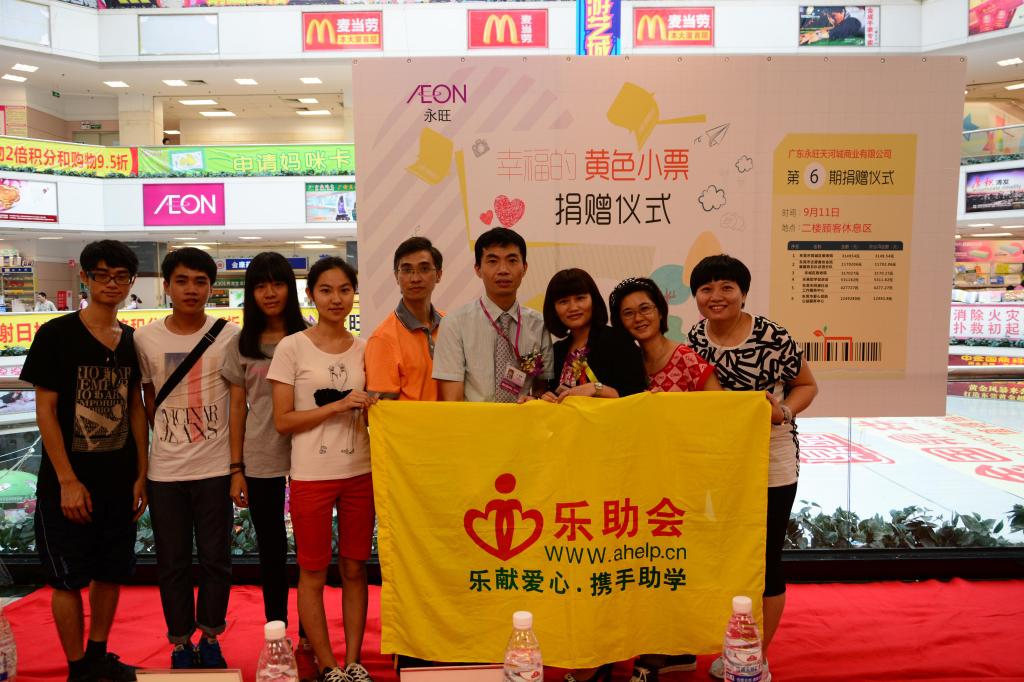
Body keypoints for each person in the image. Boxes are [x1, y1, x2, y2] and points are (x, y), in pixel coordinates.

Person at [686, 255, 818, 682]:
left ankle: (755, 656)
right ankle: (732, 639)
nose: (716, 296)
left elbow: (807, 385)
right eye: (706, 289)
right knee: (727, 556)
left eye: (727, 287)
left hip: (770, 460)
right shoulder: (695, 338)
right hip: (719, 462)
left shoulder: (772, 336)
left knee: (765, 558)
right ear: (696, 297)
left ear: (743, 293)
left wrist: (783, 412)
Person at [20, 240, 147, 682]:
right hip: (67, 481)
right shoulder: (55, 334)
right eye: (102, 275)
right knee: (67, 578)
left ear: (131, 282)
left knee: (111, 571)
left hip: (119, 478)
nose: (112, 284)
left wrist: (142, 473)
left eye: (120, 277)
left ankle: (97, 654)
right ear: (85, 278)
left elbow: (135, 408)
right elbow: (45, 410)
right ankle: (77, 666)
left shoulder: (130, 340)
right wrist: (67, 480)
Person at [268, 257, 377, 682]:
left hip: (360, 472)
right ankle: (328, 664)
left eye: (344, 290)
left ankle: (354, 660)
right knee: (312, 571)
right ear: (311, 294)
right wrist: (338, 405)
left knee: (355, 568)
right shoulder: (291, 347)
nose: (336, 299)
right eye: (326, 290)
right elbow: (283, 421)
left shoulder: (366, 348)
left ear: (354, 294)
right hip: (311, 475)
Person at [608, 276, 719, 682]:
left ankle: (673, 648)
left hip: (682, 481)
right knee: (643, 566)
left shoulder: (686, 357)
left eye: (645, 309)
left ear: (661, 311)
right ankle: (658, 645)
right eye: (628, 313)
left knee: (674, 565)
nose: (638, 318)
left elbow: (718, 412)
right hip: (637, 482)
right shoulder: (625, 366)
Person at [134, 247, 240, 669]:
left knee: (217, 559)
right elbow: (145, 402)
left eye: (200, 281)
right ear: (166, 286)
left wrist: (237, 468)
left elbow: (238, 402)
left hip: (215, 468)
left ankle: (210, 636)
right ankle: (180, 641)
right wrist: (144, 468)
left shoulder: (229, 335)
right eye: (182, 281)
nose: (191, 289)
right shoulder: (145, 338)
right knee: (172, 562)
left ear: (212, 287)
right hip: (165, 473)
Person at [220, 253, 315, 677]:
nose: (270, 293)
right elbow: (237, 409)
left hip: (310, 454)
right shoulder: (241, 345)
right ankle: (278, 636)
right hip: (260, 459)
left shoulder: (309, 337)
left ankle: (311, 633)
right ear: (250, 292)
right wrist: (235, 467)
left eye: (277, 284)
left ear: (290, 290)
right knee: (272, 552)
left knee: (311, 552)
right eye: (260, 285)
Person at [433, 227, 553, 402]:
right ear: (478, 269)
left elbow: (542, 388)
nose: (503, 270)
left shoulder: (539, 324)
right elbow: (453, 401)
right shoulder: (454, 324)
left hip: (524, 418)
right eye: (492, 261)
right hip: (474, 419)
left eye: (512, 260)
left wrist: (536, 400)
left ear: (525, 268)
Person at [541, 268, 647, 404]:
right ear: (554, 309)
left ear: (593, 300)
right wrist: (547, 398)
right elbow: (556, 396)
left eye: (580, 298)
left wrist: (597, 388)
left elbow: (638, 394)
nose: (573, 307)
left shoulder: (618, 341)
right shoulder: (556, 351)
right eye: (563, 301)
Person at [366, 236, 444, 402]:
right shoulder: (383, 338)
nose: (415, 278)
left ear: (438, 274)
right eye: (407, 270)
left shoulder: (451, 325)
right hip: (409, 421)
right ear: (396, 276)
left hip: (453, 419)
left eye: (424, 269)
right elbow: (383, 409)